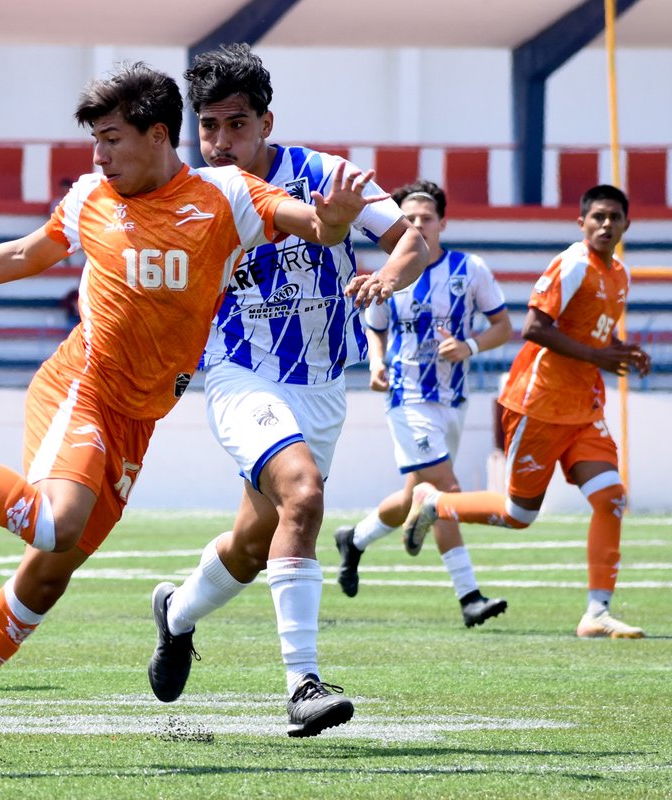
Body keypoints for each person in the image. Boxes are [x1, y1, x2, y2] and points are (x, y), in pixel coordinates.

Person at [0, 61, 401, 768]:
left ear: (159, 136)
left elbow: (309, 222)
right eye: (95, 141)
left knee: (49, 572)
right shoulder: (91, 196)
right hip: (82, 388)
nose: (98, 157)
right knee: (58, 523)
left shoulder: (223, 195)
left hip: (140, 417)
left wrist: (334, 220)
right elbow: (27, 252)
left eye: (111, 139)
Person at [143, 44, 428, 735]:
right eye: (207, 127)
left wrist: (387, 278)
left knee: (254, 540)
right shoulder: (190, 199)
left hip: (325, 384)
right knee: (304, 494)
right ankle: (303, 684)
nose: (220, 142)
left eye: (235, 125)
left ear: (267, 122)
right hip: (242, 374)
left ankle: (175, 616)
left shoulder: (326, 175)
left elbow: (415, 241)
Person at [403, 184, 651, 639]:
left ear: (626, 225)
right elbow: (536, 328)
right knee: (520, 515)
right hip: (536, 405)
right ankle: (435, 502)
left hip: (583, 409)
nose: (605, 224)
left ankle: (597, 612)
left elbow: (592, 337)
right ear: (582, 223)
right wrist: (598, 358)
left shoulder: (620, 275)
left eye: (614, 217)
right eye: (597, 216)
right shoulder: (572, 263)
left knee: (611, 497)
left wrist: (621, 351)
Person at [332, 179, 513, 628]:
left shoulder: (469, 269)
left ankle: (354, 539)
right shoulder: (390, 273)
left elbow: (503, 326)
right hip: (407, 397)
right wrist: (375, 362)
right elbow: (374, 325)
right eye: (408, 218)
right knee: (444, 492)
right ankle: (469, 595)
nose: (417, 224)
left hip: (453, 400)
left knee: (417, 494)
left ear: (442, 222)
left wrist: (468, 346)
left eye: (425, 217)